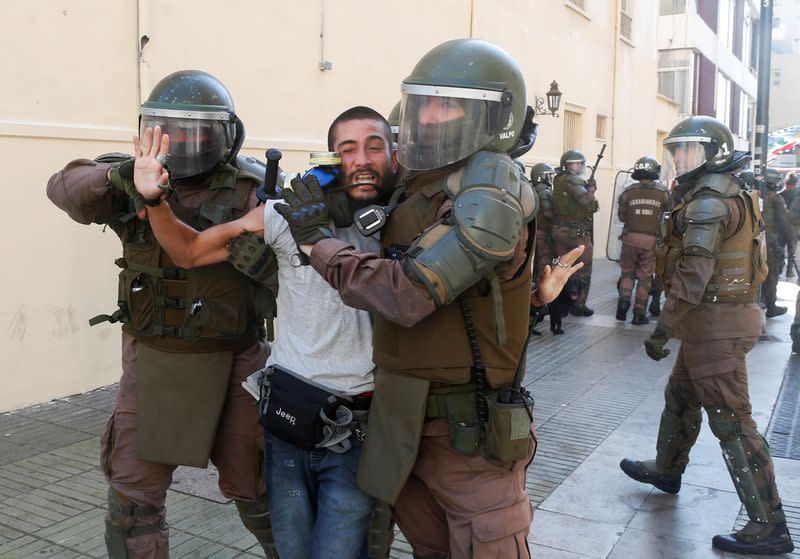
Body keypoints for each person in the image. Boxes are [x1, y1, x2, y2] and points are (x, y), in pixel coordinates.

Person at [276, 39, 585, 559]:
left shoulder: (489, 191)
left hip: (470, 436)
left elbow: (407, 294)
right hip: (402, 422)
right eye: (425, 102)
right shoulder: (418, 186)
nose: (432, 115)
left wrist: (315, 242)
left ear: (495, 116)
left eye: (451, 103)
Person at [132, 106, 398, 559]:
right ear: (331, 158)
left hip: (361, 424)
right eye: (347, 149)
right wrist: (154, 199)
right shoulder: (282, 214)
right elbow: (190, 251)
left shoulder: (404, 222)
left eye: (375, 146)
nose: (362, 159)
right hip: (288, 420)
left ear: (394, 154)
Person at [46, 70, 279, 558]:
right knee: (132, 502)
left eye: (199, 131)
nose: (186, 142)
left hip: (236, 360)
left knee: (261, 491)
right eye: (171, 130)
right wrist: (123, 175)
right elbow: (64, 187)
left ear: (226, 135)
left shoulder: (250, 188)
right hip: (153, 361)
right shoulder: (129, 179)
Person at [620, 115, 794, 555]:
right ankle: (667, 468)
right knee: (681, 396)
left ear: (711, 153)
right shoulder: (717, 190)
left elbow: (694, 275)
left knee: (732, 422)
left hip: (716, 325)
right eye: (675, 149)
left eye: (688, 150)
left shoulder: (709, 200)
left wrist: (662, 328)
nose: (679, 158)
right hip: (710, 323)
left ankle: (768, 525)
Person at [614, 156, 671, 325]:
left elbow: (621, 216)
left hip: (629, 239)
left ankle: (624, 301)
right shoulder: (663, 193)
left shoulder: (627, 191)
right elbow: (668, 217)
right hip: (651, 241)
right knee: (645, 277)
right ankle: (639, 313)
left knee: (627, 273)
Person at [552, 149, 598, 316]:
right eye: (578, 163)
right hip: (577, 234)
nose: (580, 166)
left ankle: (560, 303)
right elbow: (587, 202)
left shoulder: (558, 180)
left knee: (562, 268)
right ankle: (578, 305)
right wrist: (591, 190)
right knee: (583, 269)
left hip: (559, 230)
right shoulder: (574, 181)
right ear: (572, 165)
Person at [762, 168, 795, 317]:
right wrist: (791, 243)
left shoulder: (753, 195)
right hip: (770, 242)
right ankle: (771, 306)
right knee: (771, 274)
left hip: (754, 241)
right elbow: (784, 223)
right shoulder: (776, 199)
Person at [530, 162, 556, 283]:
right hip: (544, 233)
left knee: (536, 262)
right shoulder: (544, 191)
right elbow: (549, 213)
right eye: (548, 175)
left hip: (534, 231)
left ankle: (534, 285)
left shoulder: (532, 188)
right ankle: (542, 291)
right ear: (541, 176)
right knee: (544, 263)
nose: (549, 178)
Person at [781, 173, 799, 277]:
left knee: (788, 248)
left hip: (788, 225)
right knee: (792, 249)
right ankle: (789, 271)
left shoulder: (781, 194)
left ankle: (789, 270)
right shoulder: (796, 193)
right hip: (794, 225)